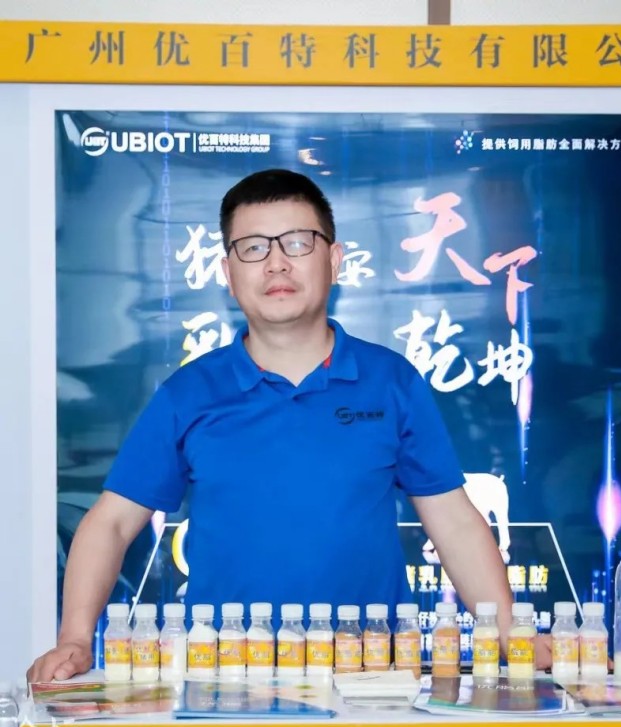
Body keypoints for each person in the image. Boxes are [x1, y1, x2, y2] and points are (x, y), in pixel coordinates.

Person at [28, 168, 551, 682]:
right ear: (228, 272)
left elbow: (453, 522)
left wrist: (511, 633)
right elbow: (112, 522)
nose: (276, 263)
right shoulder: (188, 394)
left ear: (334, 259)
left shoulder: (391, 382)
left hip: (371, 675)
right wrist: (74, 637)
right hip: (225, 676)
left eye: (298, 243)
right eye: (253, 248)